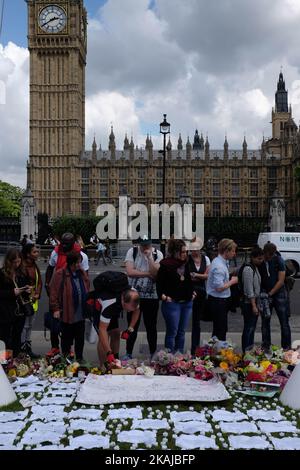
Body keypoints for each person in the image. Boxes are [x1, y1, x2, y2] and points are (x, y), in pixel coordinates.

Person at [45, 232, 89, 357]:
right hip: (62, 301)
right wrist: (47, 286)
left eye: (66, 243)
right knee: (58, 327)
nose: (63, 245)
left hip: (78, 308)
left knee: (78, 333)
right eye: (62, 242)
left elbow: (86, 282)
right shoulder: (56, 254)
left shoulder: (82, 257)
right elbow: (50, 269)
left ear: (73, 242)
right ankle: (56, 348)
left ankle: (77, 356)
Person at [124, 236, 163, 360]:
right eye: (143, 245)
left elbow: (156, 274)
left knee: (151, 326)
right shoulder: (132, 252)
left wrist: (150, 258)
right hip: (134, 296)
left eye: (147, 245)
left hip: (152, 296)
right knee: (132, 325)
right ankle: (128, 353)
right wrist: (147, 274)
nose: (145, 247)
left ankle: (152, 352)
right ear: (139, 244)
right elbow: (130, 272)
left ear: (151, 243)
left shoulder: (158, 254)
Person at [87, 281, 140, 367]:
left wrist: (130, 329)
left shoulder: (133, 296)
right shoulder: (109, 304)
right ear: (124, 303)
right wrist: (109, 352)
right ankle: (103, 365)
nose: (130, 311)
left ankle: (115, 361)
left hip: (116, 306)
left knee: (115, 332)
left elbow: (137, 311)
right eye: (129, 309)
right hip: (99, 309)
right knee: (103, 338)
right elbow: (102, 329)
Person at [156, 239, 195, 354]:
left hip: (187, 302)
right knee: (172, 332)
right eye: (182, 252)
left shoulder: (187, 263)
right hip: (172, 303)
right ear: (174, 252)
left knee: (182, 332)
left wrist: (193, 292)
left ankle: (179, 357)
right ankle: (169, 359)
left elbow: (188, 280)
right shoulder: (165, 265)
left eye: (186, 252)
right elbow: (159, 284)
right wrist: (164, 297)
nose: (185, 254)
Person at [259, 242, 291, 352]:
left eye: (271, 255)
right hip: (265, 293)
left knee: (284, 322)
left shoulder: (279, 260)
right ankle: (265, 345)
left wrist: (270, 293)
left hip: (279, 293)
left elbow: (281, 281)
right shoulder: (262, 259)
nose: (268, 257)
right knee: (265, 321)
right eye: (267, 255)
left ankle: (286, 348)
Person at [0, 248, 32, 357]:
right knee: (5, 337)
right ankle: (4, 360)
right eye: (14, 262)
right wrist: (12, 292)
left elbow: (26, 289)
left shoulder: (22, 273)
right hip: (6, 310)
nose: (17, 264)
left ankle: (15, 360)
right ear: (9, 261)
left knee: (17, 335)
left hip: (20, 311)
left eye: (19, 261)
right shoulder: (2, 273)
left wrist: (27, 290)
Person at [206, 239, 238, 341]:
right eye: (233, 251)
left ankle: (217, 350)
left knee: (220, 328)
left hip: (221, 300)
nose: (234, 253)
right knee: (220, 329)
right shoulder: (219, 266)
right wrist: (233, 281)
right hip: (218, 301)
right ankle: (218, 352)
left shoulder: (221, 262)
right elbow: (219, 287)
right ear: (226, 251)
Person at [187, 237, 211, 355]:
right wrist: (200, 275)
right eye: (192, 249)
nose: (194, 251)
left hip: (201, 292)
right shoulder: (186, 259)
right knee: (183, 321)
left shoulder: (206, 259)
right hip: (189, 291)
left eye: (196, 248)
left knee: (196, 322)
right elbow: (187, 276)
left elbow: (208, 276)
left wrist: (195, 274)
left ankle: (195, 349)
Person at [20, 243, 42, 358]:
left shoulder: (34, 265)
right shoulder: (22, 266)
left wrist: (38, 293)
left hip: (33, 302)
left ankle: (27, 348)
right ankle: (22, 349)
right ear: (28, 254)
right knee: (24, 326)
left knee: (29, 326)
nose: (37, 253)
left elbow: (39, 281)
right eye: (34, 252)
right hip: (25, 302)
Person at [240, 246, 264, 352]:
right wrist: (254, 306)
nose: (261, 261)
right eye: (259, 258)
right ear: (253, 258)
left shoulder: (255, 267)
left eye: (261, 258)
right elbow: (249, 290)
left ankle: (249, 349)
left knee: (252, 327)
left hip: (253, 302)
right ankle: (246, 350)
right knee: (249, 328)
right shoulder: (248, 269)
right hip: (249, 303)